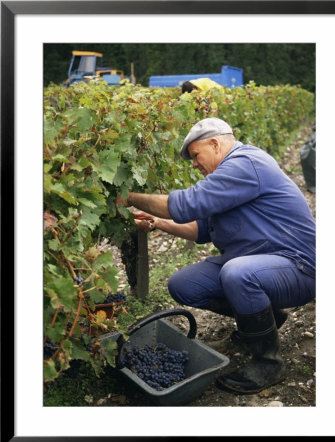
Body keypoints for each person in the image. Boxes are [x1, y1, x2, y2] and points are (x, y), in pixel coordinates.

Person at [116, 117, 316, 395]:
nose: (194, 164)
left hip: (299, 267)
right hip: (262, 263)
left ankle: (269, 363)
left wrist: (129, 197)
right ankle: (266, 318)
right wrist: (156, 222)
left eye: (196, 156)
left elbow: (185, 205)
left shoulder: (246, 163)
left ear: (215, 143)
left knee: (238, 273)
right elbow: (200, 229)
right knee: (184, 285)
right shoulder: (227, 177)